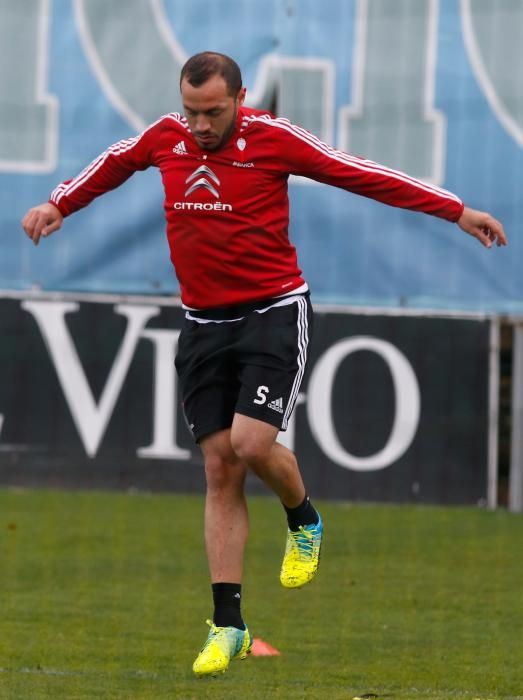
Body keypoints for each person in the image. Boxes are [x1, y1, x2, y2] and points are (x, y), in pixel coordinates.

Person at [22, 51, 507, 677]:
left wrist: (455, 210)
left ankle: (303, 517)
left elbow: (359, 172)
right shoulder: (165, 139)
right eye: (192, 110)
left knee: (251, 444)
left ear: (241, 98)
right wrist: (62, 203)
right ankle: (229, 627)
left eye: (213, 111)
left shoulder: (273, 141)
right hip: (202, 323)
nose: (199, 124)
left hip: (273, 313)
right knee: (219, 466)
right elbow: (114, 164)